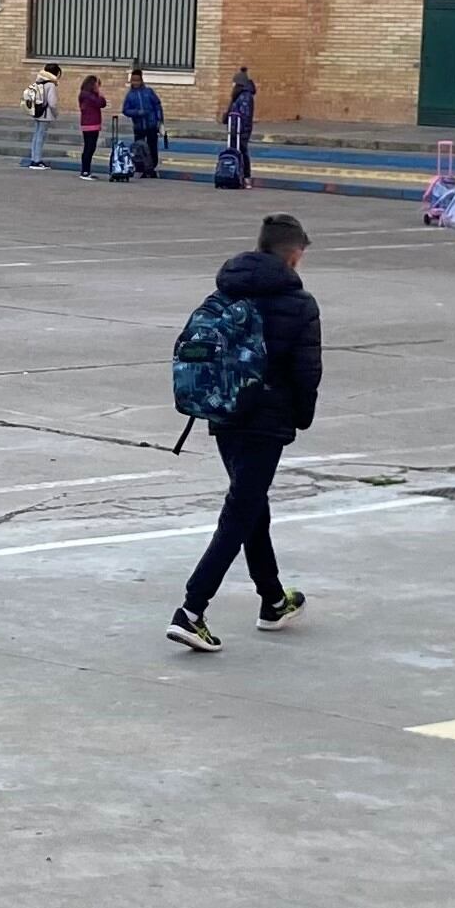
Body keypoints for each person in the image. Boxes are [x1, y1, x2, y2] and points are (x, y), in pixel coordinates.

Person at [167, 214, 321, 653]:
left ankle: (272, 600)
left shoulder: (227, 288)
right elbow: (306, 370)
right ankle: (191, 611)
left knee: (252, 504)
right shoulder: (299, 302)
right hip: (267, 420)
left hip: (224, 411)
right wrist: (301, 416)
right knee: (240, 511)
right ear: (294, 254)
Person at [122, 66, 165, 178]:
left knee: (152, 146)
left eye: (137, 80)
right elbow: (125, 110)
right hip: (139, 125)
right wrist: (137, 112)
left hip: (151, 124)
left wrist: (159, 119)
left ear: (141, 80)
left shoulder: (148, 92)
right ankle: (141, 167)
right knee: (139, 147)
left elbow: (157, 105)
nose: (135, 83)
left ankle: (151, 167)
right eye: (133, 80)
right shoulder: (130, 95)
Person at [223, 65, 258, 187]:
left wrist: (238, 128)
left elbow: (243, 115)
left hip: (241, 130)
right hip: (236, 129)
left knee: (242, 151)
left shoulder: (245, 97)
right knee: (236, 151)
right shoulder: (239, 96)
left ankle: (245, 176)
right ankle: (235, 175)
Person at [22, 63, 61, 170]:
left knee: (36, 135)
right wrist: (56, 113)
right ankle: (37, 161)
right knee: (41, 136)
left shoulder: (39, 82)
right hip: (45, 114)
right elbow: (52, 103)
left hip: (37, 112)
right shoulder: (51, 85)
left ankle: (34, 158)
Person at [75, 73, 106, 180]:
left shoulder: (84, 95)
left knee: (89, 147)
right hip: (91, 124)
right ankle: (85, 171)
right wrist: (99, 93)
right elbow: (101, 103)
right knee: (89, 147)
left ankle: (85, 170)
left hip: (88, 123)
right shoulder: (89, 96)